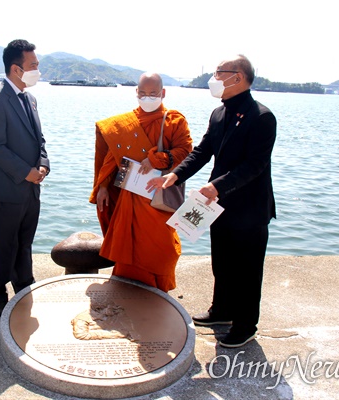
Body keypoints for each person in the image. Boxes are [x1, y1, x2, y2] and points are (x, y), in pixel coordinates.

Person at [147, 55, 277, 348]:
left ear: (238, 78)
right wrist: (174, 176)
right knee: (223, 261)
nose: (214, 78)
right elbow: (202, 152)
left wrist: (217, 186)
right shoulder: (219, 113)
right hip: (217, 205)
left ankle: (245, 325)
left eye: (220, 73)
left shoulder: (262, 117)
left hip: (249, 208)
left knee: (247, 269)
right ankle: (222, 311)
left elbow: (255, 165)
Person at [89, 72, 193, 292]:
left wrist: (156, 159)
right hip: (130, 195)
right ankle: (127, 288)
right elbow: (111, 159)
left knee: (162, 248)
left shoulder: (174, 120)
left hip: (158, 198)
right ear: (136, 93)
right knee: (129, 245)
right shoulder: (123, 123)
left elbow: (186, 152)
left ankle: (159, 289)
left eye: (153, 94)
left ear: (163, 93)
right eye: (143, 93)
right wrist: (103, 187)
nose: (148, 98)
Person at [0, 39, 50, 316]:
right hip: (7, 187)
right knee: (2, 241)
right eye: (33, 65)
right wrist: (26, 172)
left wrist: (43, 165)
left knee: (25, 239)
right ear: (16, 69)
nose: (37, 70)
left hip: (32, 187)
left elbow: (39, 140)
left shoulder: (29, 99)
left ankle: (24, 282)